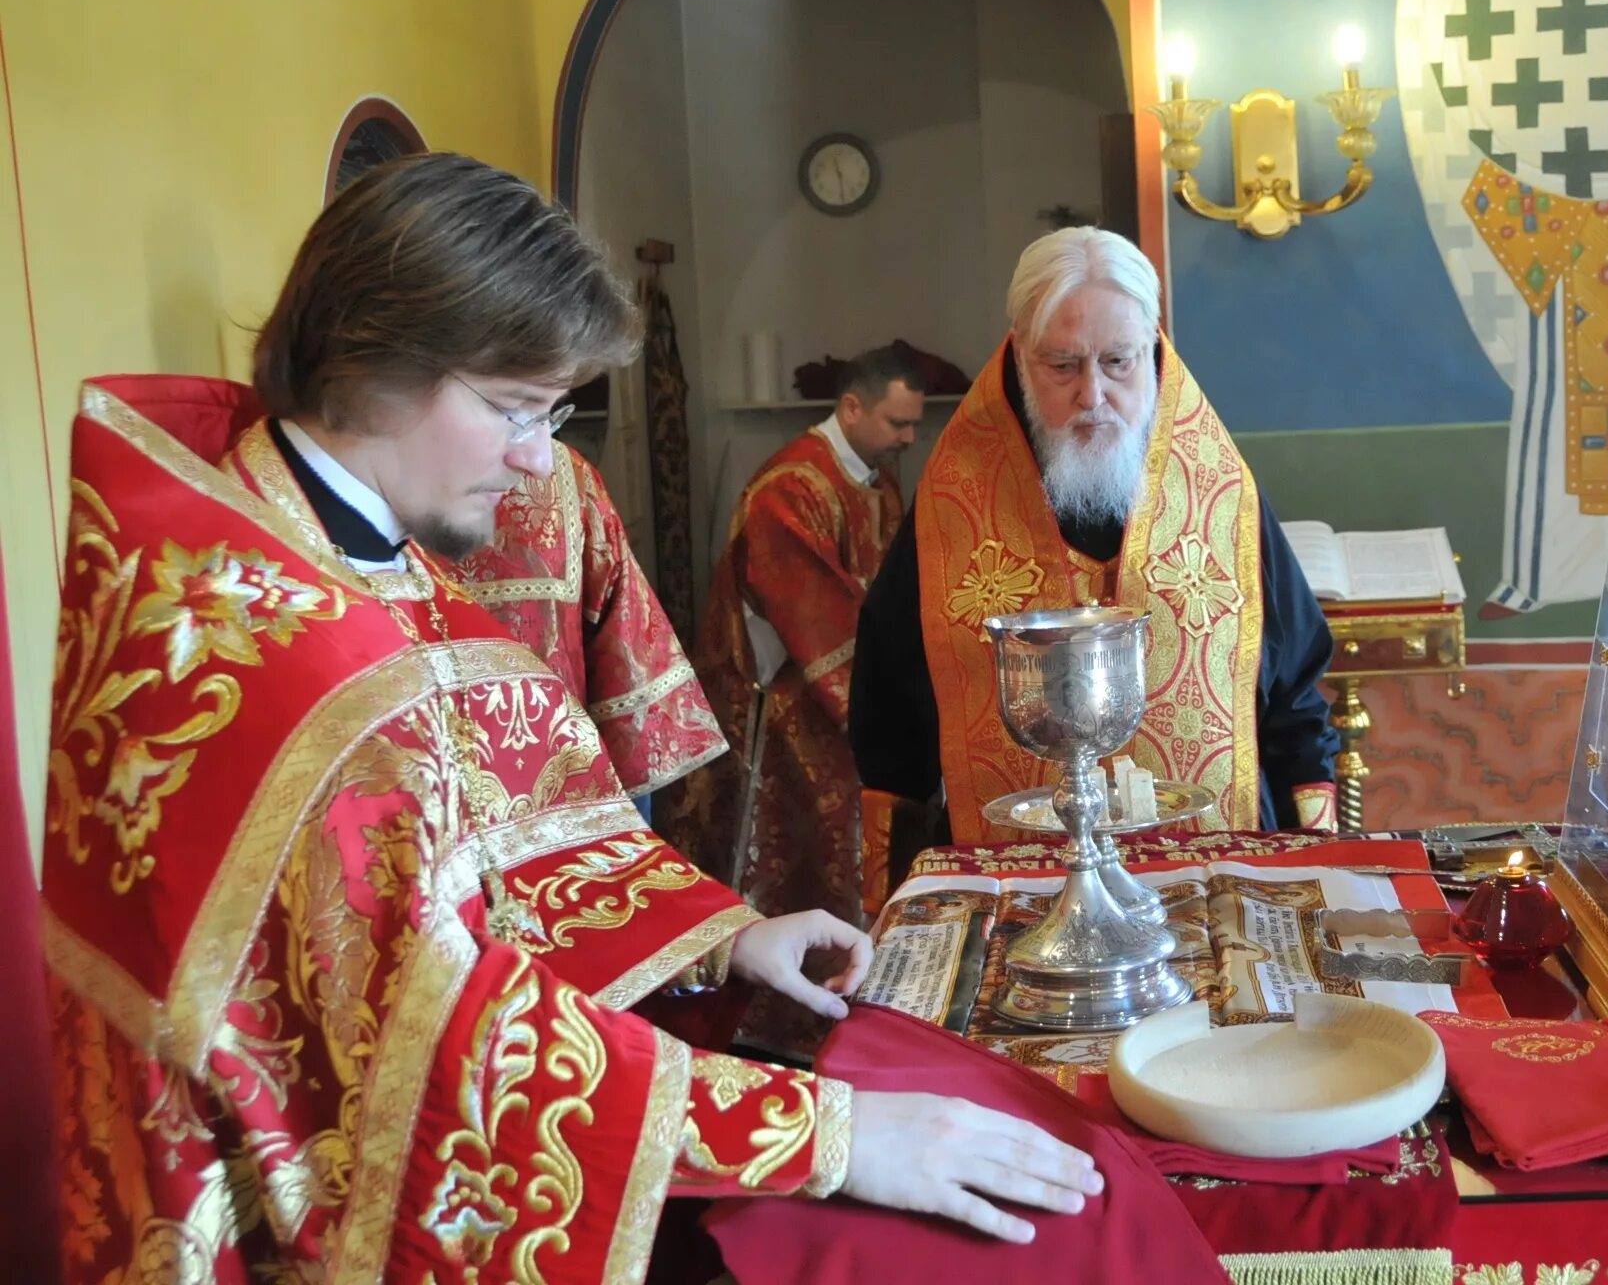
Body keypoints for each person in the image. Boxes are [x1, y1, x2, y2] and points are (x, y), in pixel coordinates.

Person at [41, 154, 1101, 1281]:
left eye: (550, 415)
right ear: (369, 359)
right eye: (511, 409)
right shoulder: (268, 645)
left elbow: (517, 828)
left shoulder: (333, 545)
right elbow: (424, 1046)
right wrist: (827, 1135)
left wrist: (725, 938)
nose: (535, 460)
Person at [850, 227, 1340, 908]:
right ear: (1019, 355)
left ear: (1155, 348)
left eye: (1118, 362)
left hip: (1219, 893)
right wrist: (893, 906)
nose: (1093, 394)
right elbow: (891, 735)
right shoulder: (949, 510)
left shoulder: (1222, 496)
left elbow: (1295, 707)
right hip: (1018, 901)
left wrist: (1317, 871)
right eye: (1062, 366)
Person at [659, 347, 920, 930]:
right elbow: (820, 617)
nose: (909, 437)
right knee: (802, 850)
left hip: (829, 686)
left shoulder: (877, 480)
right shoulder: (790, 491)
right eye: (897, 422)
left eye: (913, 424)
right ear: (851, 408)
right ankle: (790, 999)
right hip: (778, 701)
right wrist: (894, 703)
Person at [451, 438, 727, 804]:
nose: (536, 459)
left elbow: (625, 684)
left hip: (559, 807)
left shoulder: (565, 480)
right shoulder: (562, 475)